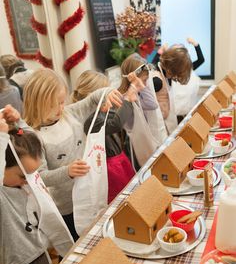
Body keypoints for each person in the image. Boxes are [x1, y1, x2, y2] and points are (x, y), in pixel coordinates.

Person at [23, 68, 122, 241]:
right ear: (37, 103)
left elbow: (93, 99)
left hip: (91, 193)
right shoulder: (34, 137)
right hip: (66, 207)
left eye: (62, 102)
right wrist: (67, 171)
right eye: (54, 105)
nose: (60, 108)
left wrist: (108, 92)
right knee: (75, 246)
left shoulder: (70, 113)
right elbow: (40, 177)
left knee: (98, 239)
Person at [0, 109, 73, 264]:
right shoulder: (2, 194)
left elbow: (27, 141)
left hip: (39, 254)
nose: (29, 180)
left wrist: (18, 122)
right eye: (23, 176)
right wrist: (1, 136)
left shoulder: (22, 178)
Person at [82, 70, 137, 203]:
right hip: (110, 168)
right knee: (120, 200)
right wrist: (128, 100)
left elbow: (115, 115)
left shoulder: (101, 111)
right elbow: (116, 124)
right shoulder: (90, 119)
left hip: (118, 160)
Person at [119, 54, 159, 169]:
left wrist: (141, 85)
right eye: (143, 81)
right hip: (133, 145)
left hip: (142, 140)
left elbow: (153, 104)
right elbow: (152, 104)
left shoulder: (138, 93)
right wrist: (138, 84)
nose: (145, 84)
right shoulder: (125, 97)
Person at [152, 44, 193, 133]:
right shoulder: (157, 80)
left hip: (169, 123)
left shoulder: (166, 75)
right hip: (159, 129)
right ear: (171, 69)